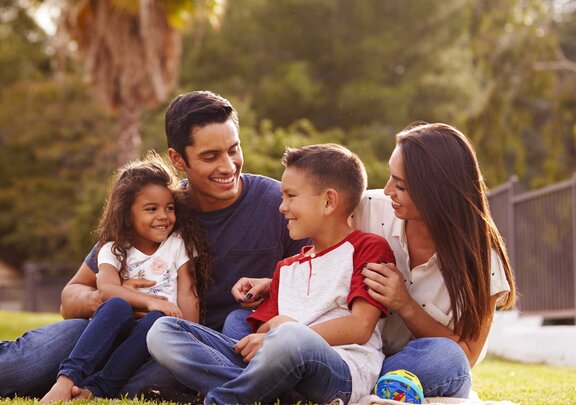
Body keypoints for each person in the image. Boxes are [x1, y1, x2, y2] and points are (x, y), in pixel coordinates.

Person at [0, 90, 307, 400]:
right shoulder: (156, 208)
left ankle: (27, 391)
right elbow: (70, 297)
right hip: (118, 327)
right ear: (179, 160)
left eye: (234, 150)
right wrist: (128, 299)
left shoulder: (277, 204)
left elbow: (312, 281)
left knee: (152, 384)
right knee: (35, 355)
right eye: (210, 157)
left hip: (193, 348)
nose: (229, 166)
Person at [231, 122, 517, 399]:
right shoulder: (368, 208)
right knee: (240, 321)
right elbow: (323, 253)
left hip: (401, 366)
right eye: (391, 177)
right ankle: (331, 385)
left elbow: (467, 355)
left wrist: (405, 305)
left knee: (446, 358)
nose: (389, 189)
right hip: (340, 352)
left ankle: (331, 386)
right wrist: (279, 286)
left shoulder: (483, 260)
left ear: (435, 191)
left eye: (401, 185)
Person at [148, 143, 397, 404]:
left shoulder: (368, 247)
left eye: (290, 196)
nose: (282, 207)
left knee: (290, 336)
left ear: (328, 201)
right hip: (278, 364)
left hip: (340, 370)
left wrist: (281, 333)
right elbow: (265, 329)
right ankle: (272, 395)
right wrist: (267, 335)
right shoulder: (286, 268)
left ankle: (223, 399)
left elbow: (360, 327)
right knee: (163, 330)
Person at [40, 154, 210, 403]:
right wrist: (150, 301)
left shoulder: (178, 243)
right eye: (151, 209)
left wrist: (189, 333)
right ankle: (66, 380)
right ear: (127, 213)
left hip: (153, 337)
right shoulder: (113, 248)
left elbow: (188, 290)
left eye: (169, 208)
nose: (163, 216)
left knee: (158, 320)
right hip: (116, 328)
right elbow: (107, 288)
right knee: (117, 304)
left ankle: (97, 390)